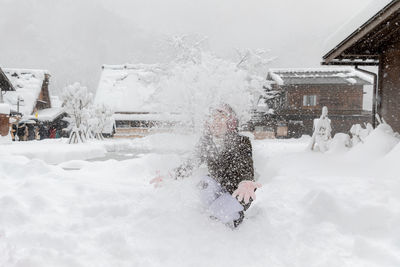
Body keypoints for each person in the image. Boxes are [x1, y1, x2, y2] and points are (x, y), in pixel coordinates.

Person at [150, 104, 261, 227]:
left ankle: (235, 215)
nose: (216, 121)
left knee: (217, 216)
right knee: (204, 183)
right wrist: (172, 175)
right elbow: (191, 163)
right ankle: (215, 211)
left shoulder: (241, 142)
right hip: (217, 187)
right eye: (213, 118)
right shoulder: (206, 142)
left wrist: (245, 181)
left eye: (221, 118)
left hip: (239, 191)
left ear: (231, 122)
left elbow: (246, 165)